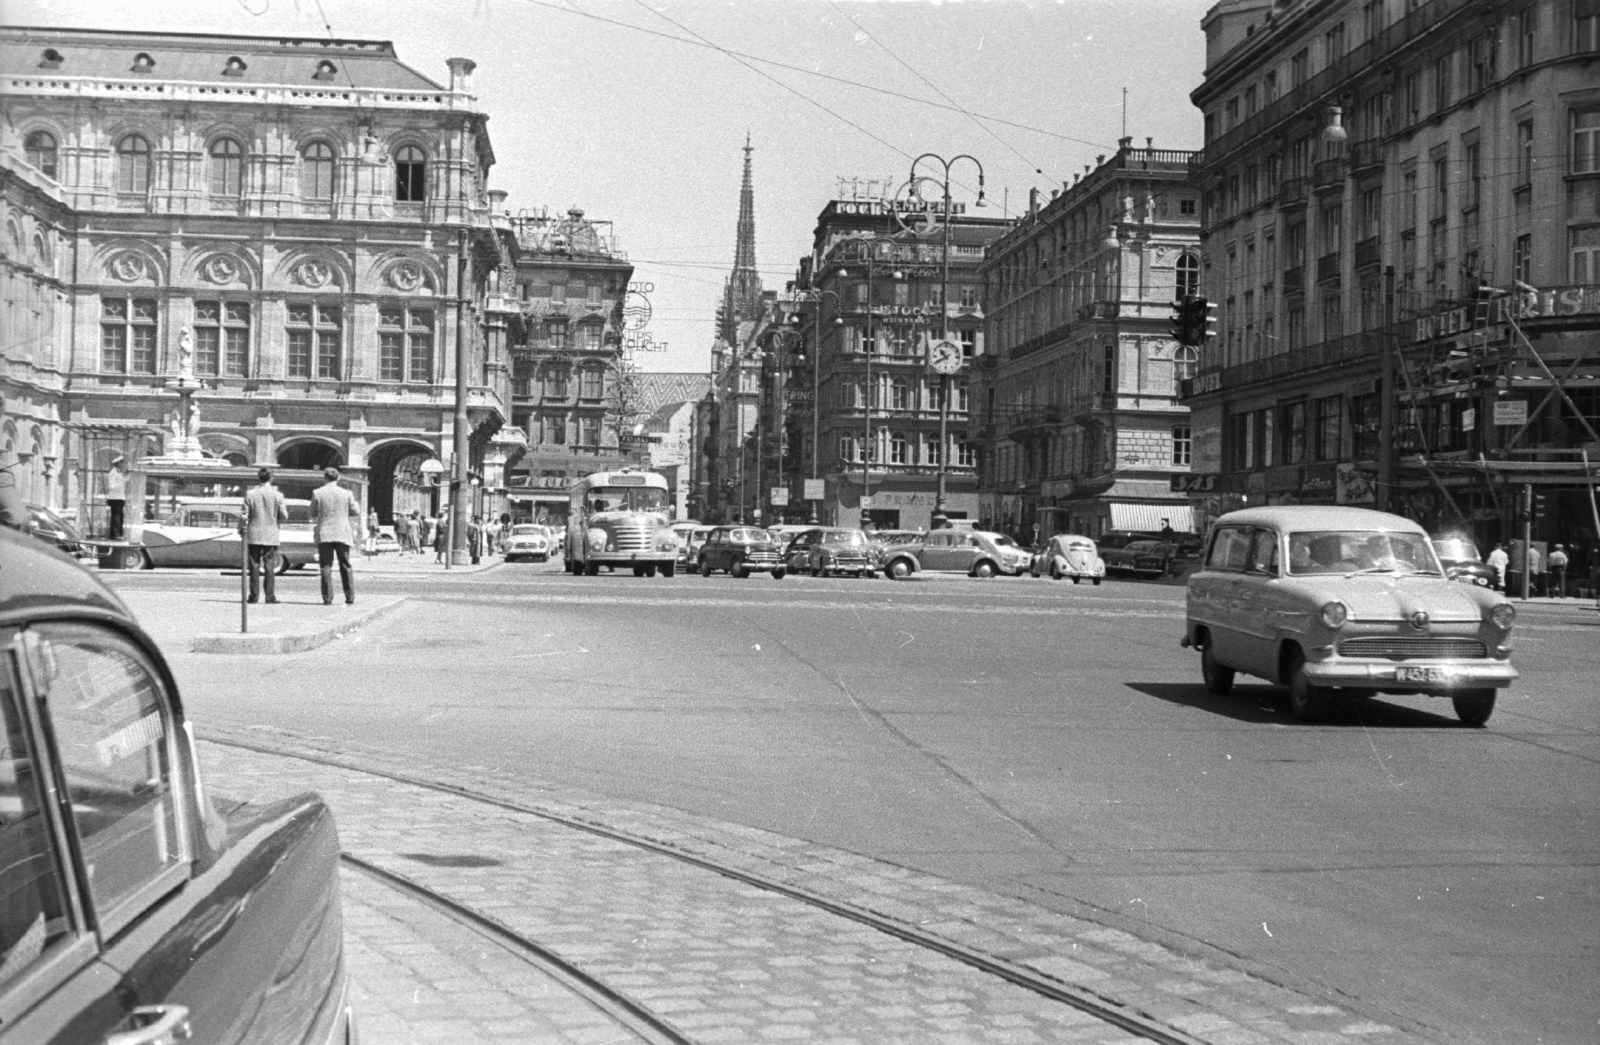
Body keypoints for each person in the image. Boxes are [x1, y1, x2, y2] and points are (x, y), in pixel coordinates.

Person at [310, 467, 361, 605]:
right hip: (343, 533)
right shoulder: (346, 493)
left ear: (324, 478)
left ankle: (327, 598)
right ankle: (349, 597)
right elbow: (356, 511)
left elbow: (312, 513)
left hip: (324, 533)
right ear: (338, 478)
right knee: (345, 565)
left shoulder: (317, 493)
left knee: (325, 565)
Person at [241, 467, 288, 603]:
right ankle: (269, 596)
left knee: (254, 565)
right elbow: (284, 515)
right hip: (271, 532)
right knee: (269, 565)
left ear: (259, 478)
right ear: (271, 478)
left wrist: (242, 528)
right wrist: (277, 521)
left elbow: (244, 515)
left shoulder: (250, 494)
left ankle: (254, 596)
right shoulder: (277, 495)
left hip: (254, 533)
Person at [105, 455, 128, 539]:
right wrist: (122, 483)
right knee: (116, 517)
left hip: (119, 497)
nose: (123, 464)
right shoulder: (113, 473)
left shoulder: (118, 472)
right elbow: (112, 486)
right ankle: (115, 535)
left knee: (119, 517)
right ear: (117, 463)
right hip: (115, 498)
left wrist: (125, 479)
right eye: (121, 462)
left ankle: (118, 534)